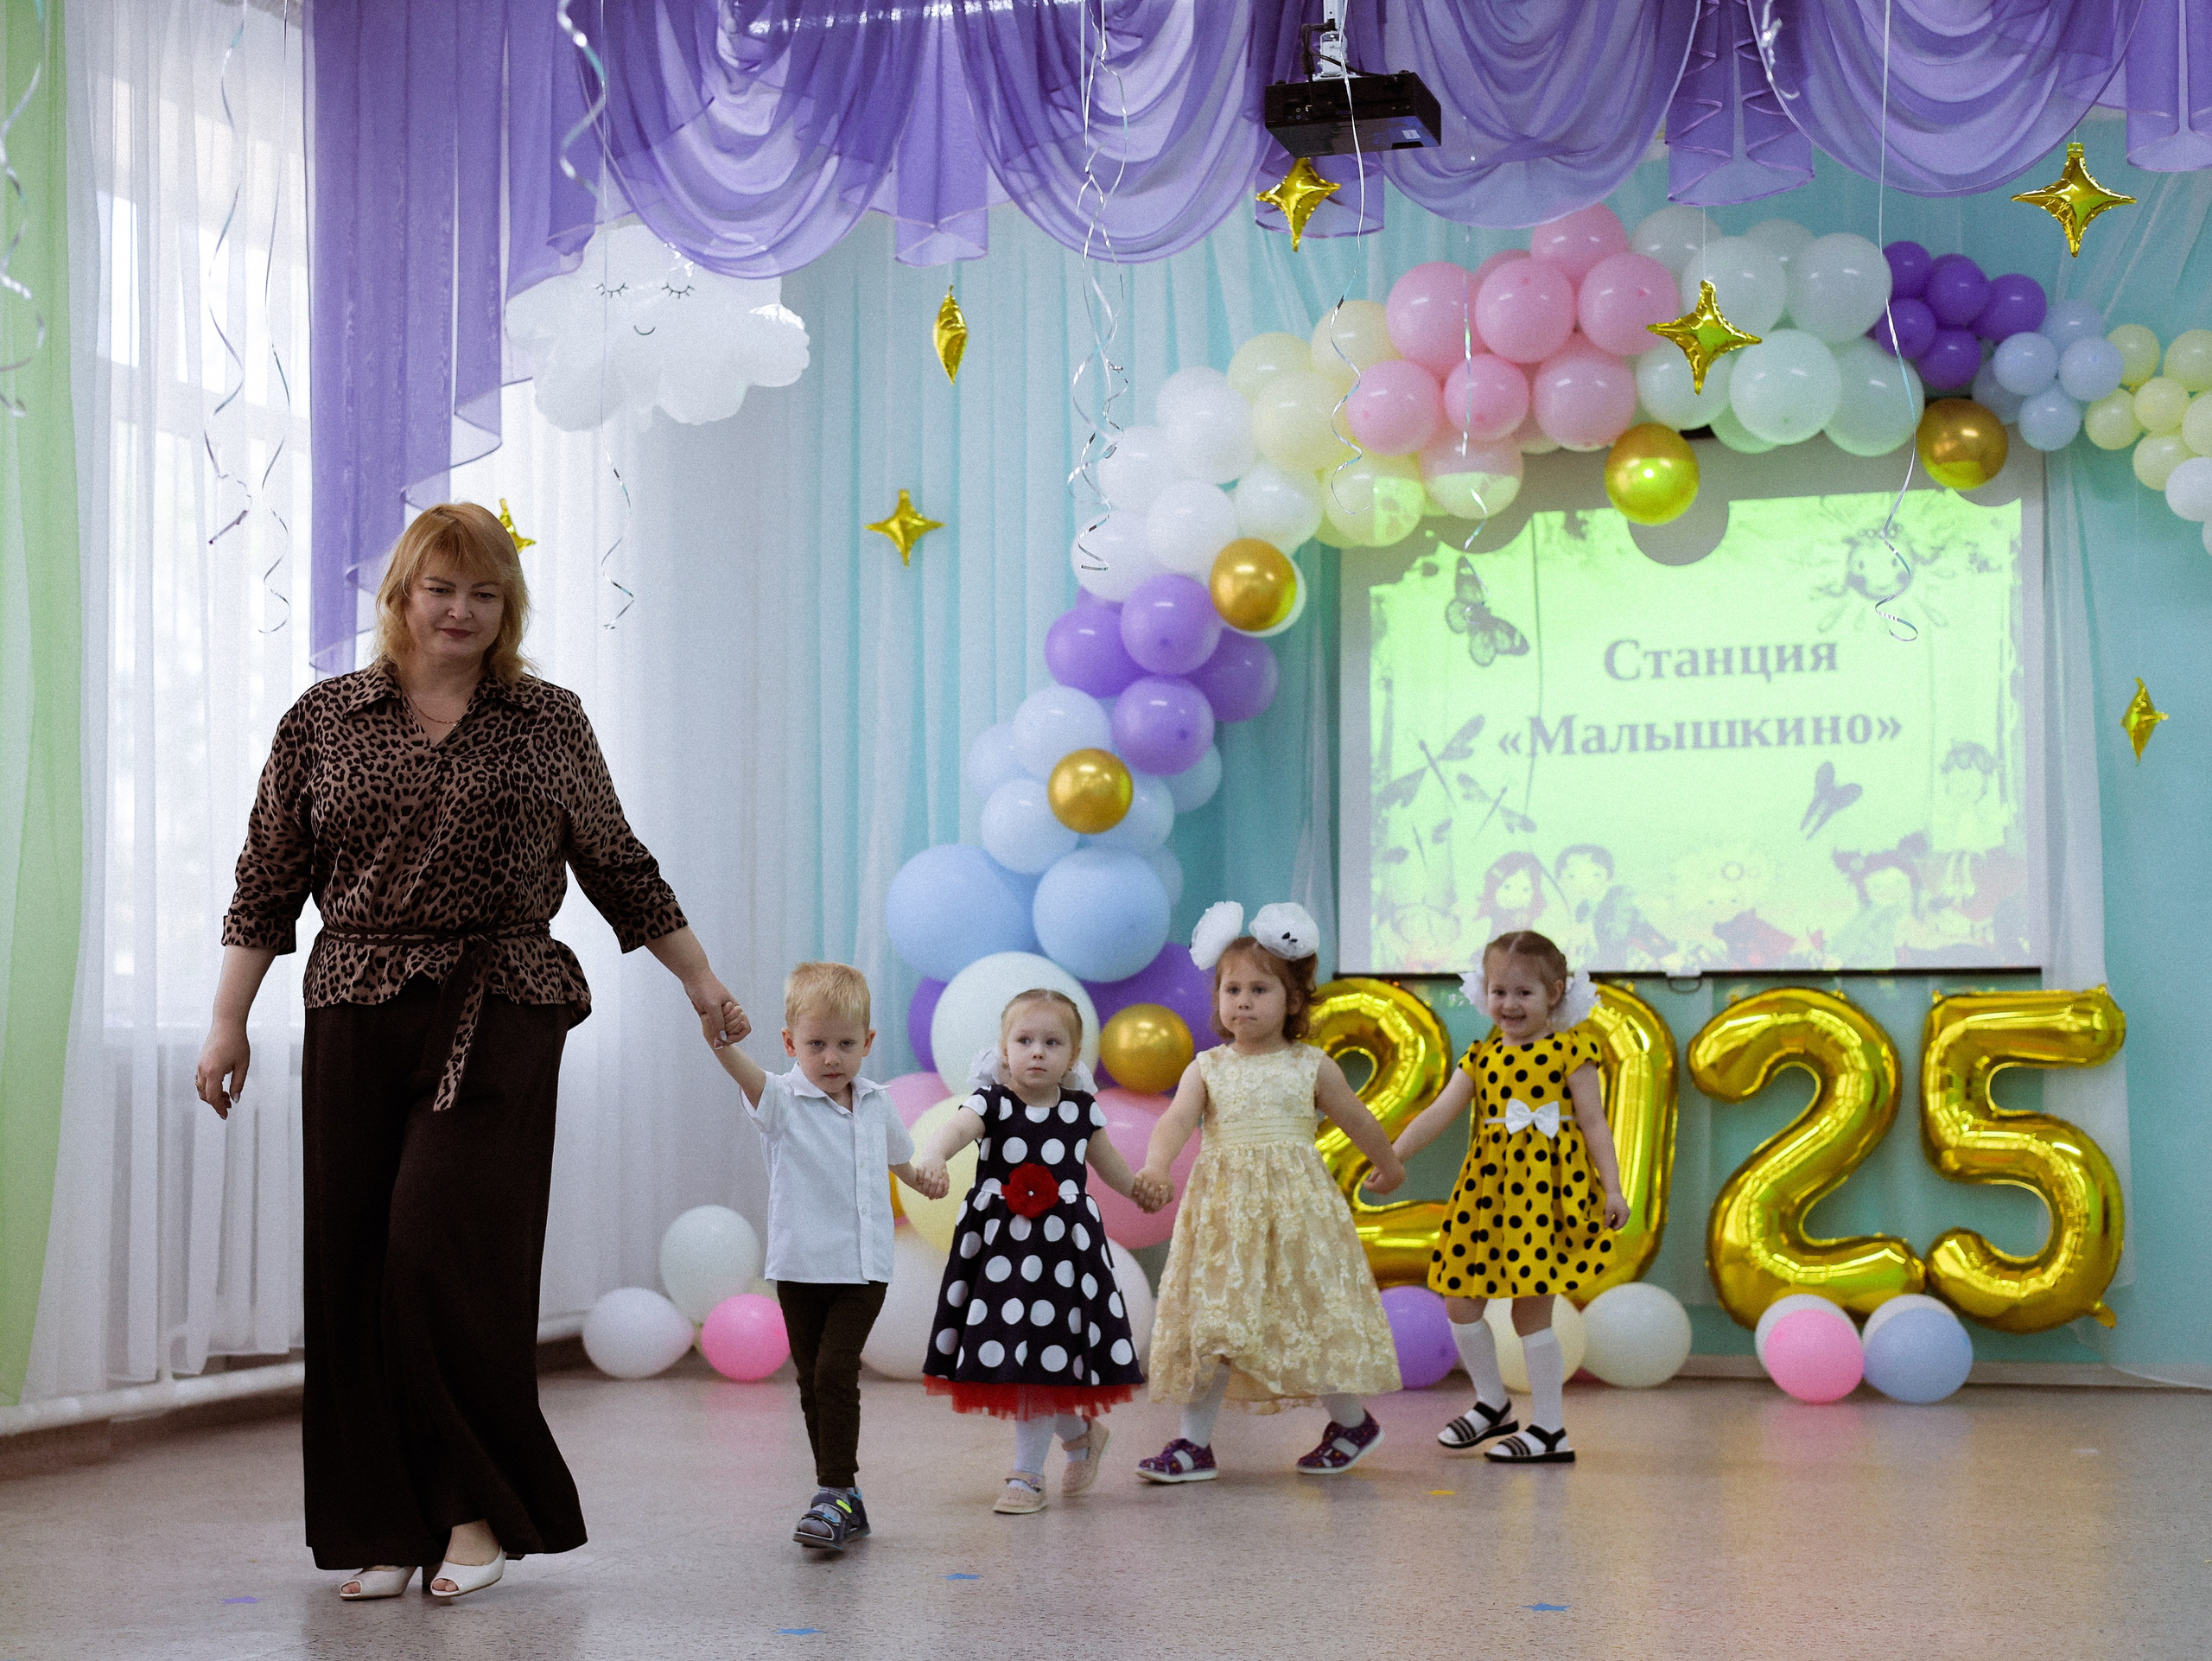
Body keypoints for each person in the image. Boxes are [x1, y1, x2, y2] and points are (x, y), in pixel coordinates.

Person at [194, 501, 745, 1601]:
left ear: (509, 607)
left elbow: (616, 860)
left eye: (485, 592)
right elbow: (267, 876)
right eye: (441, 588)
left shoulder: (547, 720)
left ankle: (476, 1508)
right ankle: (387, 1520)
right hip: (352, 1000)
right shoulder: (324, 719)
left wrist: (698, 975)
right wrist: (226, 1018)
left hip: (500, 1003)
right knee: (354, 1267)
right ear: (401, 594)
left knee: (439, 1253)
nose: (462, 609)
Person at [1132, 901, 1407, 1482]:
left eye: (1260, 989)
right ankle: (1192, 1445)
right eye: (1232, 989)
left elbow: (1358, 1119)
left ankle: (1353, 1422)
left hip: (1296, 1218)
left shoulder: (1310, 1065)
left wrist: (1388, 1164)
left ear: (1293, 1001)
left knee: (1307, 1319)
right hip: (1225, 1219)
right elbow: (1176, 1121)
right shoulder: (1207, 1067)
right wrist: (1157, 1165)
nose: (1244, 1001)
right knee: (1215, 1321)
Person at [710, 961, 939, 1551]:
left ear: (867, 1043)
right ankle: (843, 1497)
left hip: (863, 1269)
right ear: (791, 1044)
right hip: (799, 1267)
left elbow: (900, 1162)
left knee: (837, 1370)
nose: (831, 1058)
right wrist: (720, 1038)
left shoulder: (878, 1103)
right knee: (812, 1382)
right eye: (816, 1044)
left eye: (845, 1044)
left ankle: (834, 1491)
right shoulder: (782, 1099)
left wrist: (924, 1181)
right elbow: (743, 1072)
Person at [909, 990, 1160, 1514]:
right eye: (1024, 1041)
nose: (1037, 1052)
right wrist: (932, 1154)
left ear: (1073, 1056)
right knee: (1019, 1352)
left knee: (1045, 1349)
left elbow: (1109, 1164)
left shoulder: (1079, 1111)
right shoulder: (991, 1101)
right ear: (1004, 1050)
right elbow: (954, 1131)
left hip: (1065, 1253)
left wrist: (1136, 1187)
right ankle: (1079, 1436)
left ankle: (1027, 1474)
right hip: (1003, 1250)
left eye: (1053, 1042)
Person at [1389, 930, 1628, 1464]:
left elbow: (1595, 1124)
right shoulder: (1481, 1057)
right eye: (1499, 991)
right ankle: (1492, 1403)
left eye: (1524, 993)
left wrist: (1612, 1188)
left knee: (1530, 1314)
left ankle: (1549, 1429)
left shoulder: (1572, 1051)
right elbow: (1437, 1114)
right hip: (1488, 1193)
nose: (1509, 1004)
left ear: (1555, 993)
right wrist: (1393, 1156)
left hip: (1545, 1196)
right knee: (1460, 1297)